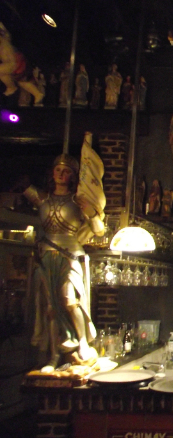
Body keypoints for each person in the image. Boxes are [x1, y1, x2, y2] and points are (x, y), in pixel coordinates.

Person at [24, 153, 105, 372]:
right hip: (46, 257)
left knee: (70, 301)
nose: (61, 174)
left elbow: (99, 230)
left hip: (70, 256)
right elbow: (24, 189)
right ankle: (54, 355)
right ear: (52, 173)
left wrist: (91, 213)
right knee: (50, 308)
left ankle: (83, 343)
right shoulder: (43, 199)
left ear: (73, 176)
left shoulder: (77, 201)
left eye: (66, 171)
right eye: (58, 170)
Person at [0, 22, 44, 105]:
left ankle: (12, 87)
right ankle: (37, 94)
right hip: (13, 63)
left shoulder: (5, 43)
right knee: (21, 82)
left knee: (18, 79)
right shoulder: (3, 44)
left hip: (15, 63)